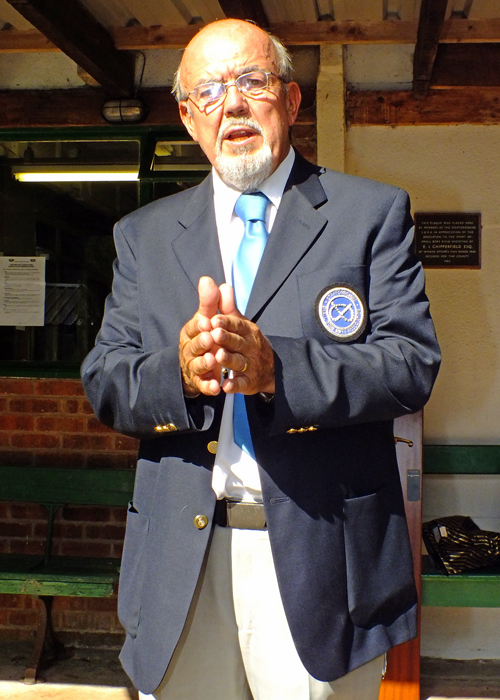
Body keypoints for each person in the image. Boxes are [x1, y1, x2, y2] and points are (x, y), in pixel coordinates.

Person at [81, 18, 440, 700]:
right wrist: (179, 376)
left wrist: (281, 371)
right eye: (209, 91)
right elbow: (106, 380)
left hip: (324, 562)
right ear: (188, 118)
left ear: (292, 101)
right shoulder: (144, 237)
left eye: (252, 81)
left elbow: (410, 362)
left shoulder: (371, 215)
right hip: (183, 568)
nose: (234, 104)